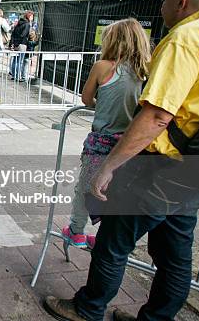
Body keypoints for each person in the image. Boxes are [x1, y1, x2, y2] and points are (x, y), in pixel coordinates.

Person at [44, 0, 199, 321]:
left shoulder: (186, 38)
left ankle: (88, 309)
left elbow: (157, 115)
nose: (160, 10)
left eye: (163, 2)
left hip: (164, 167)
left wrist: (110, 166)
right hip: (195, 170)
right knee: (175, 254)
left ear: (181, 0)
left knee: (113, 243)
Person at [61, 18, 151, 251]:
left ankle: (76, 232)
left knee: (85, 188)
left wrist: (101, 104)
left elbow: (86, 98)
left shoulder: (103, 67)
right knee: (112, 194)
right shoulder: (146, 71)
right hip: (129, 144)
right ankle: (104, 238)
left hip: (101, 141)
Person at [9, 11, 33, 81]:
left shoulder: (18, 23)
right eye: (32, 16)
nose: (32, 18)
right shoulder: (27, 24)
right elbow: (24, 34)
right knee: (19, 61)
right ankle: (17, 76)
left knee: (14, 60)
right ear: (29, 17)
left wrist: (13, 43)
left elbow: (13, 33)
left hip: (15, 44)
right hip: (22, 44)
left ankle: (14, 75)